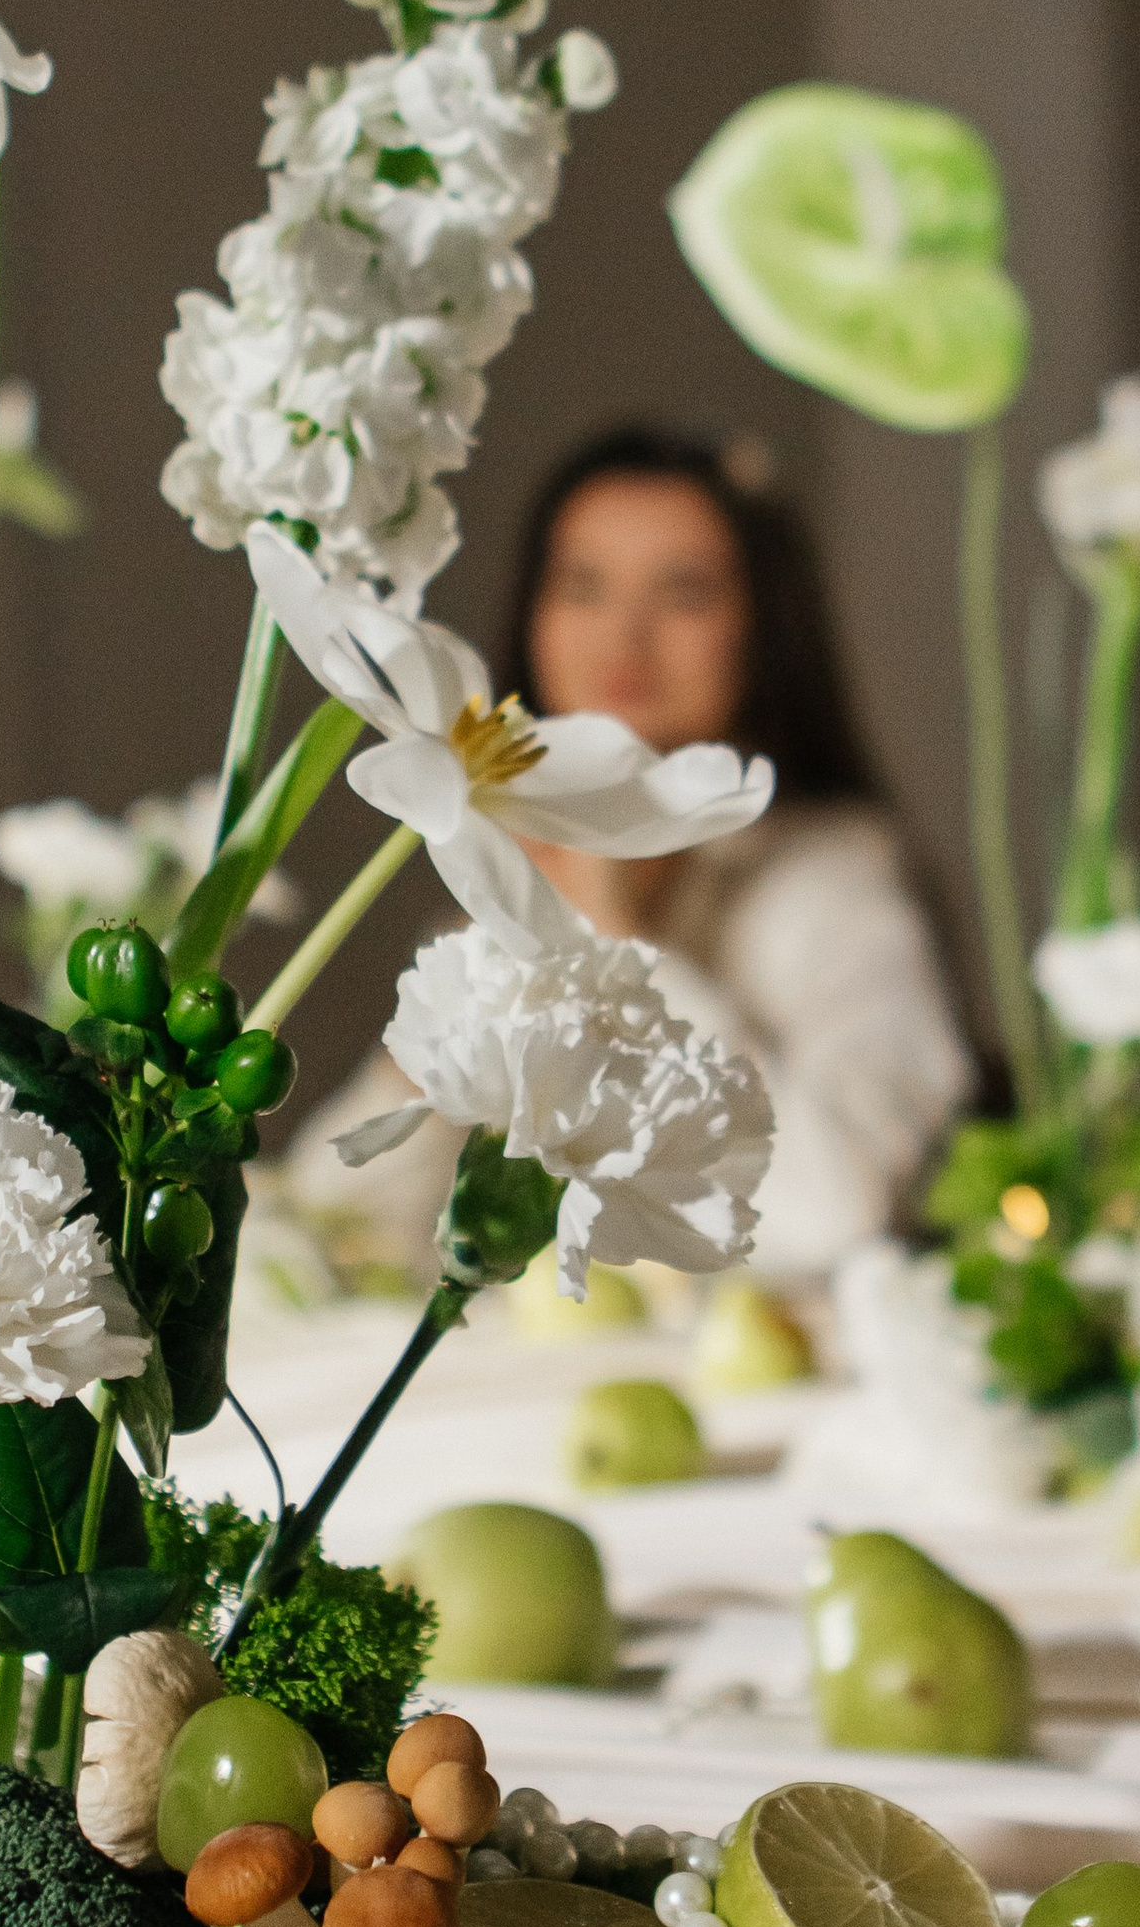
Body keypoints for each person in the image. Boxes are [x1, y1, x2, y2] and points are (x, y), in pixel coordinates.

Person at [288, 427, 975, 1286]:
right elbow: (329, 1227)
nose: (624, 639)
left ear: (761, 624)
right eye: (584, 586)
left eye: (683, 593)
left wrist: (607, 937)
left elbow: (844, 1211)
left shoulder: (831, 883)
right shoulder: (517, 867)